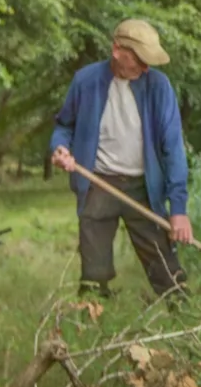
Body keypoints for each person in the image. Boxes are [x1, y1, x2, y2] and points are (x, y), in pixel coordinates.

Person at [49, 19, 192, 299]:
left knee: (164, 264)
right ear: (117, 50)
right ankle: (93, 317)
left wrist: (178, 208)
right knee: (94, 270)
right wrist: (60, 148)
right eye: (140, 59)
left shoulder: (159, 87)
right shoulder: (85, 81)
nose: (146, 67)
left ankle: (184, 313)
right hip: (98, 183)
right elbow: (63, 126)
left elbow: (173, 148)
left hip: (143, 188)